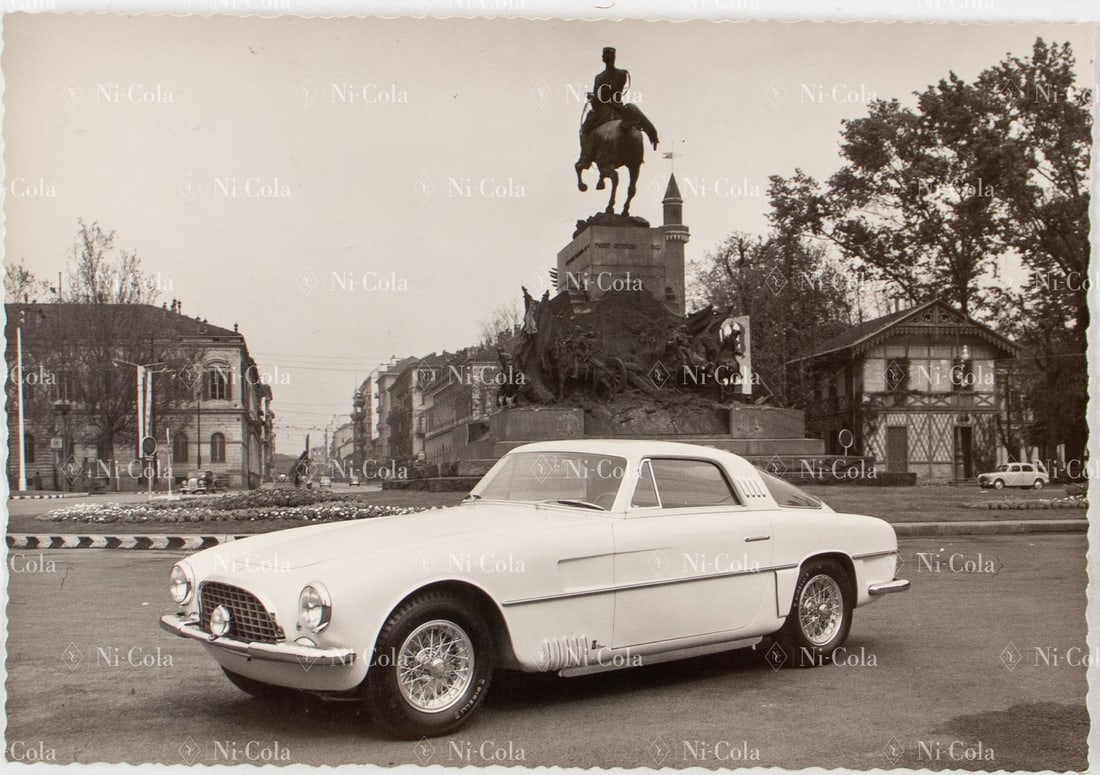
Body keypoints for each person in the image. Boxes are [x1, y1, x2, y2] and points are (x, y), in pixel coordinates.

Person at [578, 47, 659, 167]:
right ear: (614, 58)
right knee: (633, 110)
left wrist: (592, 97)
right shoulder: (622, 74)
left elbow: (600, 97)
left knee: (585, 129)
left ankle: (586, 158)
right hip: (619, 110)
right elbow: (617, 91)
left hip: (603, 112)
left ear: (603, 59)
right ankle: (651, 132)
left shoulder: (599, 77)